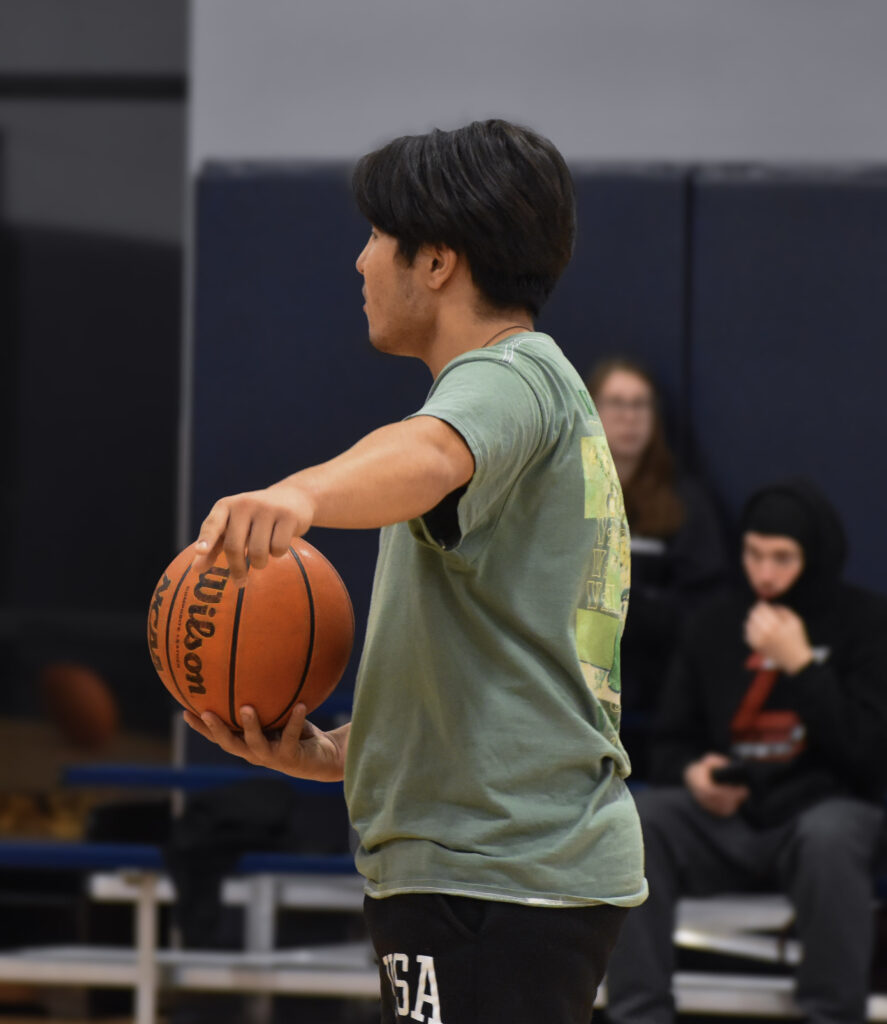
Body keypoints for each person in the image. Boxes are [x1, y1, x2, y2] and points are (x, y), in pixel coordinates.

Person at [183, 119, 646, 1024]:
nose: (359, 263)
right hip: (502, 871)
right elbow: (510, 673)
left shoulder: (506, 379)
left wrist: (299, 495)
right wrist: (345, 752)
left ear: (436, 260)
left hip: (493, 875)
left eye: (375, 238)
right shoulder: (533, 395)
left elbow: (427, 453)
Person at [605, 479, 887, 1024]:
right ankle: (639, 1013)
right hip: (726, 819)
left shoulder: (866, 623)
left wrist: (802, 666)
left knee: (830, 834)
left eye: (783, 558)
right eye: (754, 554)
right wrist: (695, 775)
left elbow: (869, 757)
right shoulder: (713, 624)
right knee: (638, 818)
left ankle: (831, 1013)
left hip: (821, 813)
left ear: (814, 555)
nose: (766, 573)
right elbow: (667, 742)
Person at [586, 358, 726, 775]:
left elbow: (706, 605)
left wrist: (635, 609)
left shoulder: (684, 500)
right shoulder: (564, 491)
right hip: (574, 690)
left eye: (640, 405)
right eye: (616, 403)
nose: (629, 417)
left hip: (656, 685)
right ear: (592, 409)